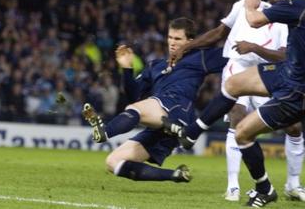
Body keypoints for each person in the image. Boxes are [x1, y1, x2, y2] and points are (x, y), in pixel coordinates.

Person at [164, 0, 305, 207]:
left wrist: (251, 6)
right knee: (233, 85)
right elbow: (222, 31)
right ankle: (194, 134)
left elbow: (254, 20)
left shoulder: (294, 3)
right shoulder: (289, 6)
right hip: (283, 73)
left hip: (294, 84)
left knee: (243, 133)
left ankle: (266, 188)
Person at [82, 17, 227, 183]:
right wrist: (127, 69)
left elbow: (234, 57)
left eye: (178, 39)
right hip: (160, 124)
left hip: (178, 110)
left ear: (190, 41)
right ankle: (175, 175)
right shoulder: (155, 66)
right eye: (170, 37)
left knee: (136, 108)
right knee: (113, 162)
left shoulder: (200, 57)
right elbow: (133, 96)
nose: (172, 42)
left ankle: (104, 131)